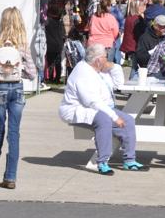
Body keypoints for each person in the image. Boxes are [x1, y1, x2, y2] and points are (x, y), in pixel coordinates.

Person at [58, 43, 147, 175]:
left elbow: (118, 83)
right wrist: (114, 116)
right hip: (79, 109)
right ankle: (102, 162)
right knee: (104, 119)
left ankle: (129, 160)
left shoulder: (98, 69)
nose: (108, 59)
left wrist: (114, 67)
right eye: (106, 57)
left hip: (101, 108)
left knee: (128, 120)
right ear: (98, 60)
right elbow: (91, 101)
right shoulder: (83, 72)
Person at [0, 7, 37, 189]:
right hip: (17, 89)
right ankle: (10, 177)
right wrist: (20, 72)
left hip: (0, 88)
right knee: (14, 133)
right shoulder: (22, 45)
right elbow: (32, 72)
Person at [120, 0, 146, 81]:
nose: (144, 7)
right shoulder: (137, 19)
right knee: (135, 67)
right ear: (137, 7)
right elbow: (139, 35)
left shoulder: (129, 18)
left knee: (134, 66)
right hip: (134, 46)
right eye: (142, 5)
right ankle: (131, 83)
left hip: (129, 46)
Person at [45, 4, 65, 84]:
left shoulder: (48, 22)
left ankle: (50, 77)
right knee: (58, 62)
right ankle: (57, 78)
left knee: (50, 62)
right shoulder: (60, 23)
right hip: (58, 45)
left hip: (50, 45)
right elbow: (63, 34)